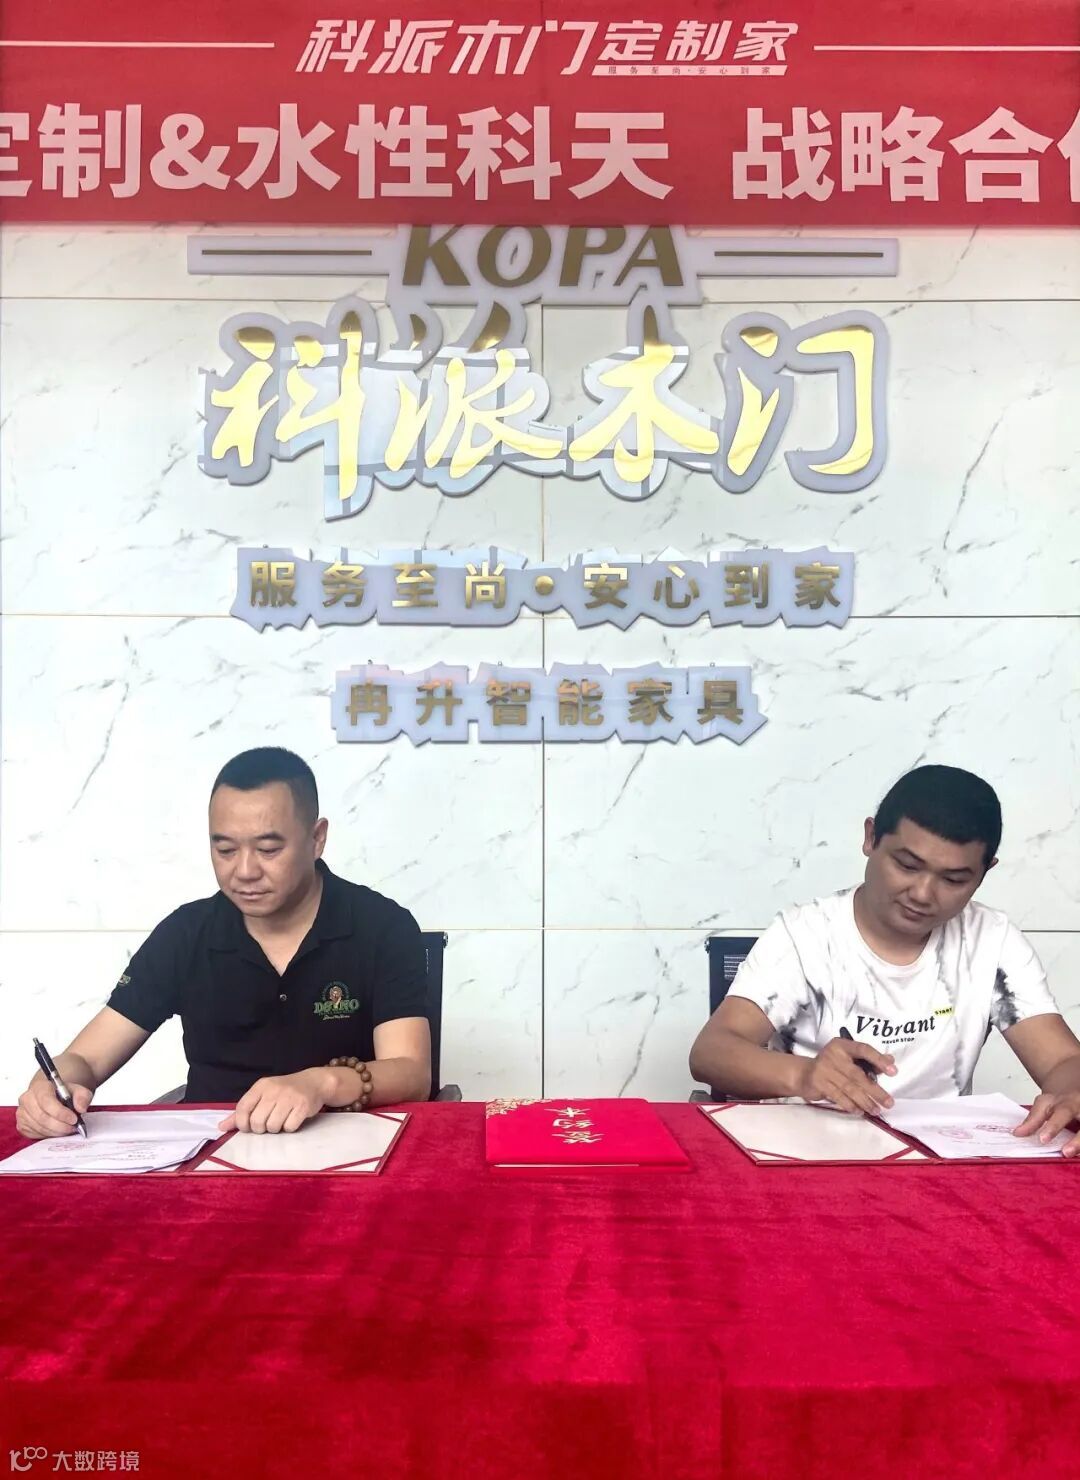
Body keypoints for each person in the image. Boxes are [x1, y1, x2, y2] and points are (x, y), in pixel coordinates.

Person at [17, 748, 432, 1138]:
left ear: (316, 838)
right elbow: (86, 1058)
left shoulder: (381, 926)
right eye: (226, 849)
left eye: (268, 849)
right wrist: (48, 1091)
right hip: (211, 1148)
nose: (245, 871)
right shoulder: (186, 934)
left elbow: (412, 1073)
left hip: (348, 1147)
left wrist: (322, 1083)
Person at [689, 765, 1080, 1155]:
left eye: (954, 880)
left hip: (939, 1165)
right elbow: (712, 1051)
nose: (922, 894)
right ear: (870, 838)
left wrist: (1072, 1091)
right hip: (809, 1156)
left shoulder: (992, 939)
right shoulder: (805, 934)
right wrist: (805, 1076)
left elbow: (1062, 1060)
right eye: (907, 866)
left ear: (984, 872)